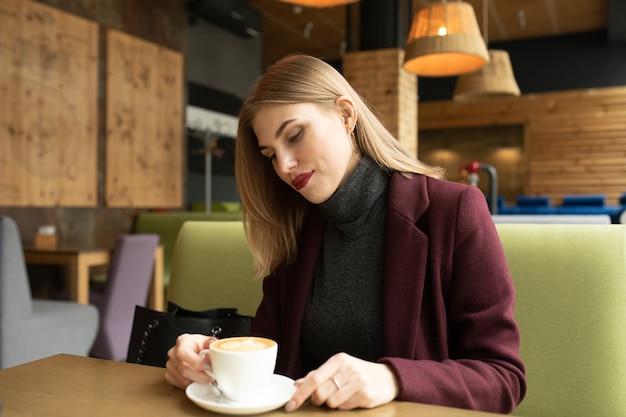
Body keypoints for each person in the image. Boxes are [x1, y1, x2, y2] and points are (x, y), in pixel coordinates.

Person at [164, 53, 526, 413]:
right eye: (270, 154)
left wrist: (393, 378)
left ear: (346, 115)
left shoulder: (454, 211)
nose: (285, 165)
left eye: (295, 135)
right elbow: (271, 358)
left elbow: (503, 378)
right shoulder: (295, 229)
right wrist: (208, 360)